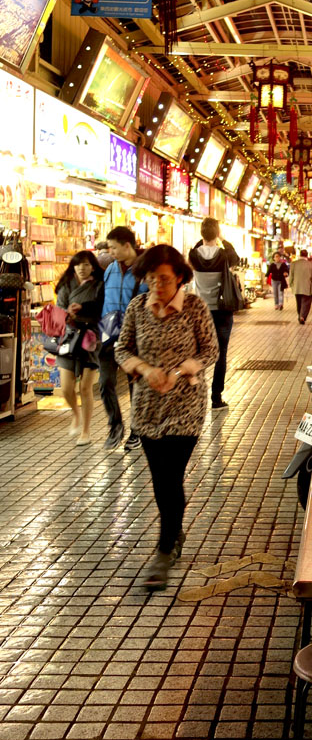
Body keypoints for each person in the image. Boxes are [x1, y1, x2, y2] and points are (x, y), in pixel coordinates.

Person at [115, 245, 218, 591]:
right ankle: (174, 531)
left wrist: (178, 370)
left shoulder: (194, 307)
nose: (156, 285)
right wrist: (143, 369)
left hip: (185, 404)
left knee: (171, 476)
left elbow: (210, 349)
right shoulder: (136, 309)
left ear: (179, 278)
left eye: (163, 279)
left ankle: (163, 550)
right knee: (161, 478)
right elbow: (121, 348)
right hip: (147, 406)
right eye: (150, 278)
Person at [99, 226, 146, 451]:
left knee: (134, 385)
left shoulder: (145, 271)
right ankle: (115, 425)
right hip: (107, 334)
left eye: (114, 248)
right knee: (105, 383)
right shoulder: (110, 269)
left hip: (132, 338)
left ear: (127, 246)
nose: (111, 252)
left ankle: (136, 431)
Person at [188, 218, 240, 409]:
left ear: (201, 234)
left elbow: (194, 250)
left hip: (201, 311)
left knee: (198, 353)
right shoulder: (224, 255)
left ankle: (195, 393)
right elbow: (235, 256)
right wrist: (222, 239)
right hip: (222, 311)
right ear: (217, 233)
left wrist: (201, 240)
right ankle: (216, 398)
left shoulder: (193, 255)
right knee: (220, 354)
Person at [55, 250, 104, 446]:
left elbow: (101, 309)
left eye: (85, 265)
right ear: (73, 266)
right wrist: (66, 315)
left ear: (93, 266)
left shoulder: (99, 286)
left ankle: (86, 430)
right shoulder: (66, 285)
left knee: (85, 387)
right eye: (78, 265)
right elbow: (59, 310)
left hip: (90, 338)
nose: (82, 269)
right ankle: (75, 414)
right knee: (66, 387)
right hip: (68, 337)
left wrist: (83, 312)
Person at [288, 248, 312, 323]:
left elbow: (291, 275)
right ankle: (302, 316)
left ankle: (300, 315)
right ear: (307, 255)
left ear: (300, 255)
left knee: (299, 302)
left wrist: (291, 284)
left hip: (297, 287)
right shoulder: (311, 265)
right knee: (306, 302)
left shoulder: (294, 264)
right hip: (307, 287)